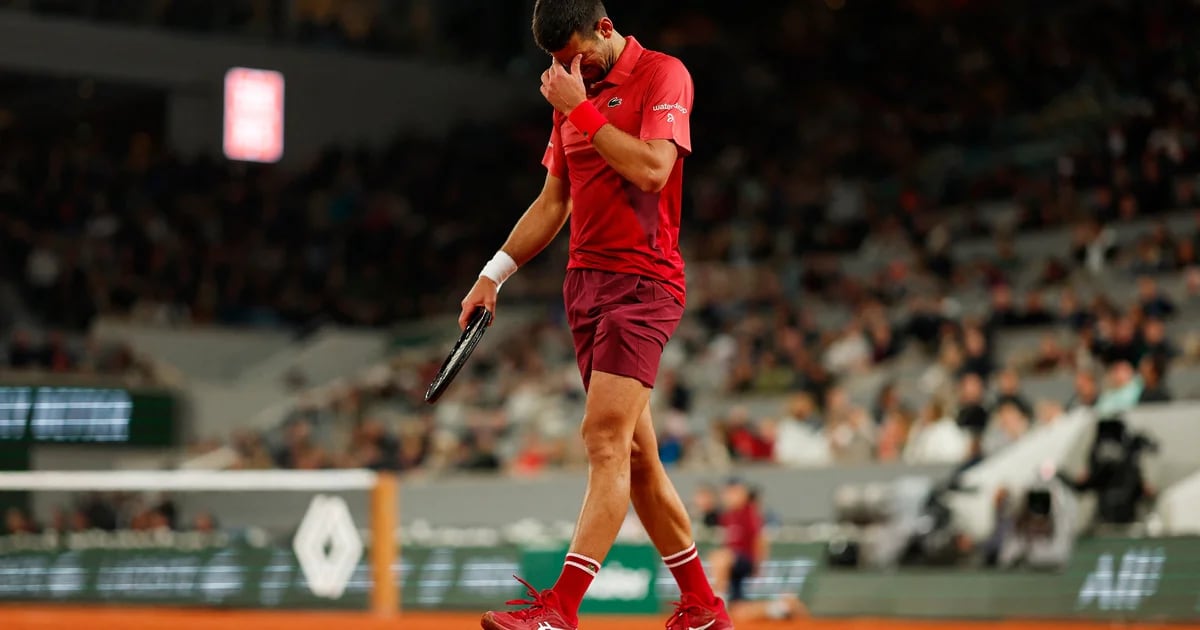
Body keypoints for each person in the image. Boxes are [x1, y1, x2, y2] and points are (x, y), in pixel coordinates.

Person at [457, 2, 726, 629]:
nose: (564, 70)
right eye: (554, 63)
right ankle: (703, 607)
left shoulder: (663, 74)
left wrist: (577, 106)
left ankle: (560, 610)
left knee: (604, 440)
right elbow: (554, 201)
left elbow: (655, 170)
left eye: (574, 55)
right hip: (585, 287)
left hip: (643, 284)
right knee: (636, 460)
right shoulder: (574, 93)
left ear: (605, 30)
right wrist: (491, 275)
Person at [708, 479, 766, 606]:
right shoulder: (727, 516)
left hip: (745, 560)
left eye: (733, 493)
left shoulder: (749, 512)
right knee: (738, 606)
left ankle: (717, 600)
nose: (729, 497)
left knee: (720, 557)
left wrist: (758, 565)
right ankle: (778, 609)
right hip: (733, 566)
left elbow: (760, 539)